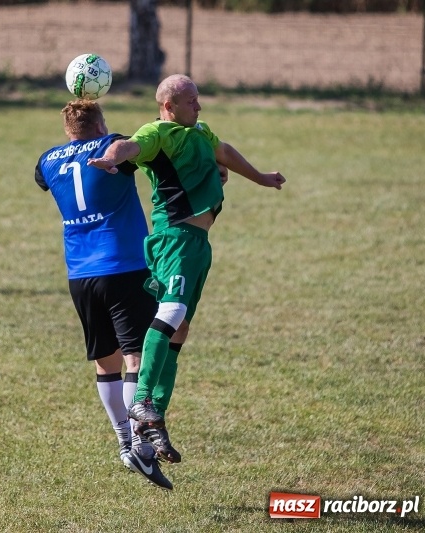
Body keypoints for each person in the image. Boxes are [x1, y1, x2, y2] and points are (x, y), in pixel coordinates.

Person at [88, 74, 286, 467]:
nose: (199, 105)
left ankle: (154, 417)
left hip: (198, 244)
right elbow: (129, 145)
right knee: (172, 311)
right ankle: (142, 398)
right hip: (174, 238)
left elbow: (224, 151)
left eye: (197, 98)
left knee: (180, 329)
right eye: (191, 100)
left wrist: (261, 178)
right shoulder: (159, 133)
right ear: (169, 106)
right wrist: (111, 158)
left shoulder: (201, 131)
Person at [35, 99, 173, 490]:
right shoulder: (111, 145)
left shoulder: (46, 161)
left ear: (68, 130)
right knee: (136, 357)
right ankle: (141, 447)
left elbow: (43, 179)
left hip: (80, 275)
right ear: (100, 125)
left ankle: (124, 443)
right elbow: (142, 151)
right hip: (123, 265)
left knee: (105, 362)